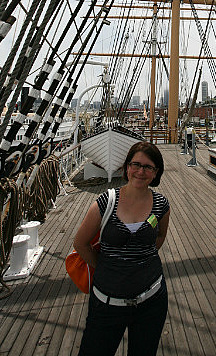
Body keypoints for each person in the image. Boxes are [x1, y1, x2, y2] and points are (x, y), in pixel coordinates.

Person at [74, 141, 170, 356]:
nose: (140, 171)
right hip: (107, 303)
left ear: (156, 173)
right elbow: (80, 243)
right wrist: (107, 267)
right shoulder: (106, 201)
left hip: (152, 299)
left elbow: (160, 236)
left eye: (148, 167)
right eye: (135, 164)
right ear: (126, 167)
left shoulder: (161, 204)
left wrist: (141, 257)